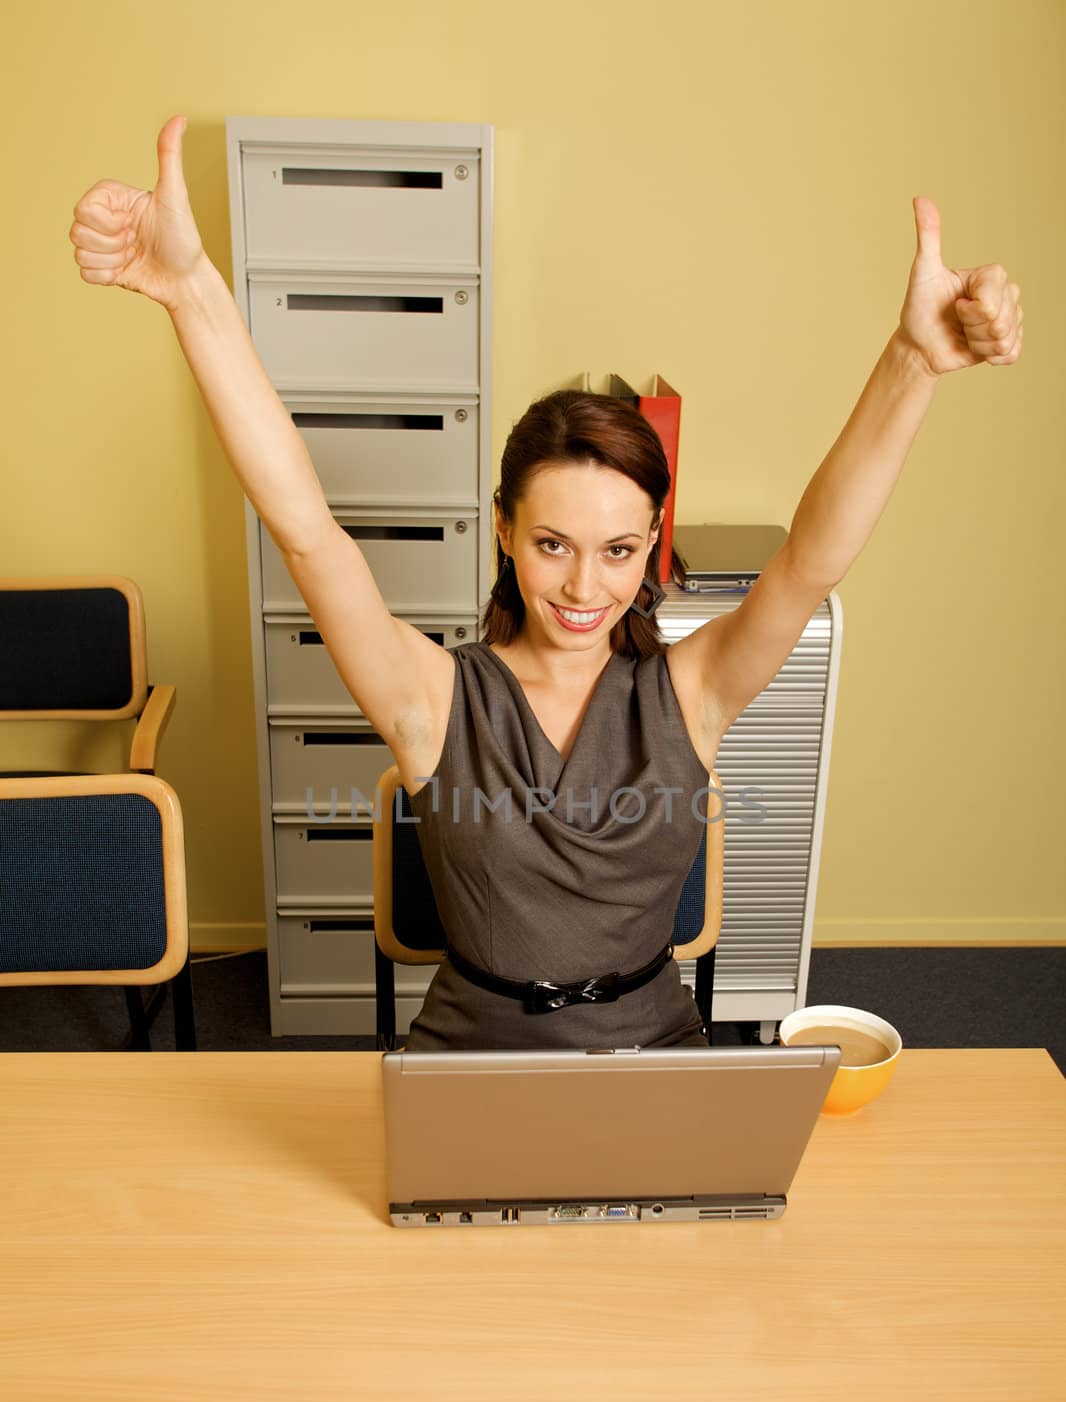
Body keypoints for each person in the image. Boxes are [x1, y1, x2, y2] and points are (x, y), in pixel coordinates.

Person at [70, 116, 1023, 1051]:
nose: (582, 585)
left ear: (655, 543)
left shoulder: (692, 692)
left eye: (618, 550)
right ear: (505, 533)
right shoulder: (434, 698)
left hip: (655, 1050)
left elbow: (814, 555)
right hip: (473, 1053)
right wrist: (194, 292)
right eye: (553, 544)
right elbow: (307, 532)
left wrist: (914, 362)